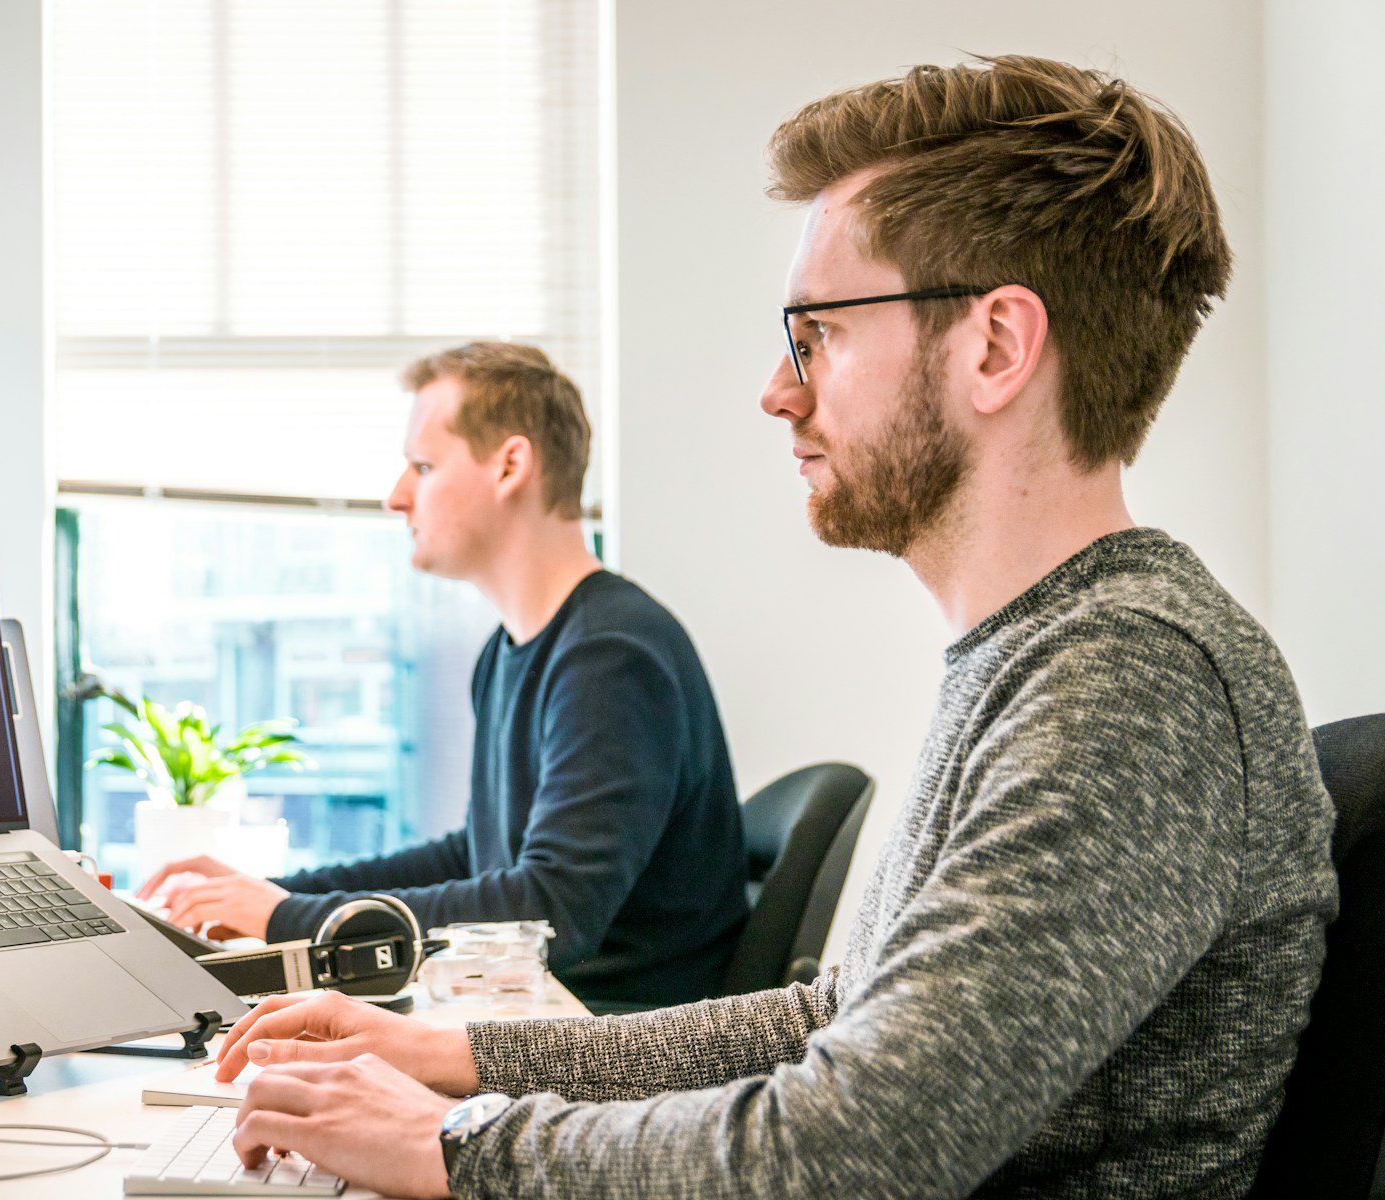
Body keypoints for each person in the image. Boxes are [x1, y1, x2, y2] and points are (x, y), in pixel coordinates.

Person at [203, 56, 1340, 1199]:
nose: (778, 390)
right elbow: (832, 1021)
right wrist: (449, 1054)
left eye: (819, 336)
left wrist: (447, 1146)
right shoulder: (1041, 656)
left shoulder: (1130, 683)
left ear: (995, 347)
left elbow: (852, 1148)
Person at [137, 342, 751, 1010]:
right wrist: (278, 895)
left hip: (610, 1041)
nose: (396, 496)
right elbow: (477, 857)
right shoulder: (513, 652)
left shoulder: (612, 657)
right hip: (540, 1014)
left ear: (511, 465)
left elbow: (550, 914)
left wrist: (286, 919)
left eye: (423, 466)